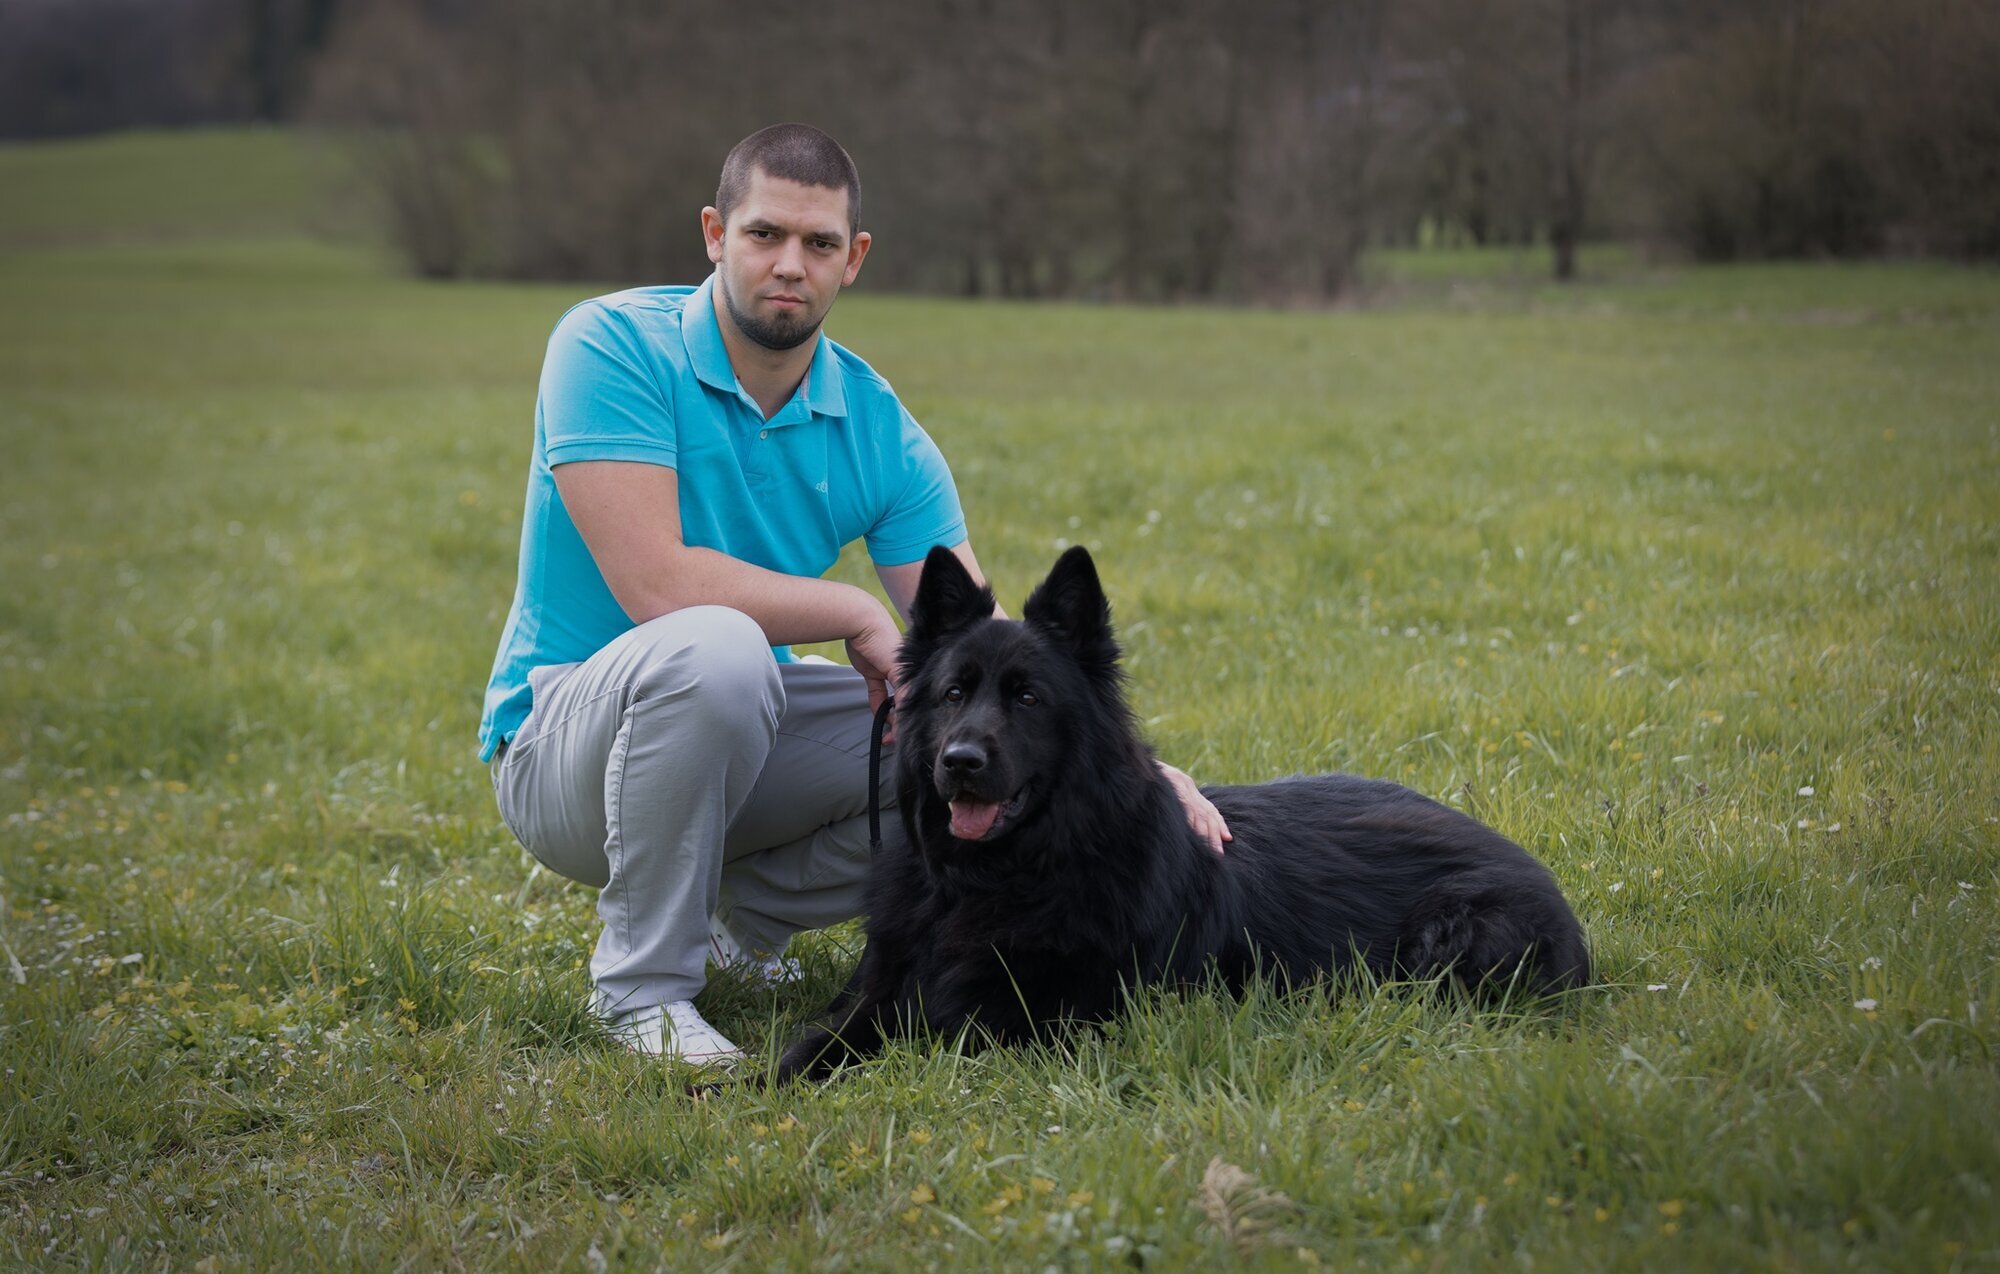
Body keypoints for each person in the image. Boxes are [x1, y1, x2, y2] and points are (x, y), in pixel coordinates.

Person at [479, 123, 1228, 1066]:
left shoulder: (877, 426)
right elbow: (657, 585)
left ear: (854, 258)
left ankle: (738, 937)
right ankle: (643, 992)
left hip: (732, 739)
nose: (789, 264)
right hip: (562, 753)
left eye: (819, 243)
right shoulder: (611, 346)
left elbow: (993, 654)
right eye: (763, 235)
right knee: (717, 649)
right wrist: (857, 613)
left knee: (944, 740)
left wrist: (1132, 769)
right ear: (714, 233)